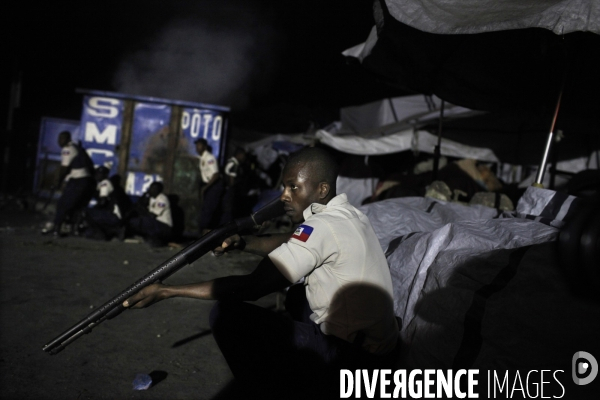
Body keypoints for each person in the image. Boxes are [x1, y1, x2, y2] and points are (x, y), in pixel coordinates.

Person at [123, 147, 400, 398]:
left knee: (226, 314)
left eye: (293, 187)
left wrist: (166, 291)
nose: (284, 196)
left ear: (322, 189)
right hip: (380, 350)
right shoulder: (348, 215)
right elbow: (291, 239)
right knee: (296, 296)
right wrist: (242, 242)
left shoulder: (321, 227)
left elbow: (252, 287)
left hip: (354, 362)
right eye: (284, 187)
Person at [45, 130, 96, 236]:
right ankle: (74, 229)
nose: (59, 141)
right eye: (59, 139)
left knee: (62, 204)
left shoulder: (67, 149)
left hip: (78, 180)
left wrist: (57, 182)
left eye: (62, 138)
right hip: (85, 180)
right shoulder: (76, 147)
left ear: (68, 139)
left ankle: (56, 229)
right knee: (76, 205)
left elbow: (64, 168)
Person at [124, 181, 173, 247]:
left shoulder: (162, 199)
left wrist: (142, 208)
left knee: (144, 220)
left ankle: (157, 239)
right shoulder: (152, 198)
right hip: (156, 224)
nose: (150, 190)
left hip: (164, 227)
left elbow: (152, 215)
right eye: (150, 188)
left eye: (153, 189)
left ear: (158, 190)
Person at [83, 166, 124, 241]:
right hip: (111, 215)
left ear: (105, 175)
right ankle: (109, 232)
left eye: (100, 173)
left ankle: (113, 231)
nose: (98, 175)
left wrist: (93, 210)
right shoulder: (101, 184)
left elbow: (103, 201)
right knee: (88, 233)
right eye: (97, 173)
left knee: (86, 212)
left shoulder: (105, 183)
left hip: (113, 216)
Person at [195, 138, 225, 235]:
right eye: (197, 145)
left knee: (209, 209)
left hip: (214, 185)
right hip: (209, 185)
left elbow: (215, 174)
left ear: (204, 146)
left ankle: (204, 233)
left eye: (199, 145)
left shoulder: (209, 158)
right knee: (206, 209)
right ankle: (204, 232)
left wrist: (206, 187)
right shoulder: (202, 157)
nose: (197, 147)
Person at [219, 147, 248, 224]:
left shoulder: (229, 161)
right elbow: (232, 181)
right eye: (243, 155)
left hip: (225, 191)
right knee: (228, 212)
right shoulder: (234, 164)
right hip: (229, 192)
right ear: (239, 155)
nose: (244, 157)